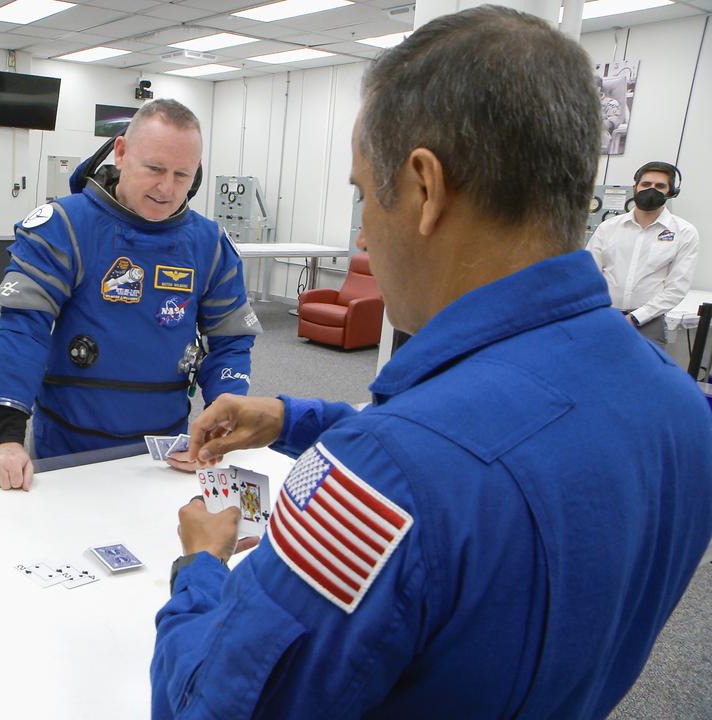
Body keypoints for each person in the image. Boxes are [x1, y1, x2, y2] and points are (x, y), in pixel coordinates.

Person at [152, 7, 712, 718]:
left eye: (362, 193)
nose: (361, 229)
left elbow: (209, 705)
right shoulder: (680, 409)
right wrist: (292, 417)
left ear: (423, 188)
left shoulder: (384, 478)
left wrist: (201, 565)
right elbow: (491, 436)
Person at [0, 99, 261, 490]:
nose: (167, 188)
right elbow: (22, 329)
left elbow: (231, 342)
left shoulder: (208, 244)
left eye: (183, 175)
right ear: (121, 152)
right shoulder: (64, 226)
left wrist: (221, 418)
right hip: (67, 447)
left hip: (164, 450)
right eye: (154, 169)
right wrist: (8, 438)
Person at [587, 161, 699, 345]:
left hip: (648, 322)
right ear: (635, 188)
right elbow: (589, 274)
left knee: (642, 374)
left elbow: (676, 287)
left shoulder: (684, 232)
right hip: (603, 316)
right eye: (646, 184)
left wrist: (636, 317)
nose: (651, 190)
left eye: (660, 186)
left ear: (671, 192)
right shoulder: (608, 228)